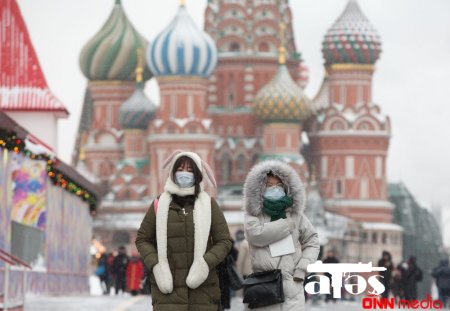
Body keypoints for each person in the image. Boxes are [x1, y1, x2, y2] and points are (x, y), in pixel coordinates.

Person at [135, 151, 232, 310]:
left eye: (190, 170)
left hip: (203, 290)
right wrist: (157, 265)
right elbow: (142, 239)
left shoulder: (209, 204)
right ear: (173, 173)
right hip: (167, 290)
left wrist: (205, 264)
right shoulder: (159, 204)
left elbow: (224, 241)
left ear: (198, 174)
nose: (184, 174)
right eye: (180, 169)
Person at [243, 160, 320, 311]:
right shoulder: (254, 215)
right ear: (260, 189)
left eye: (279, 185)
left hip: (293, 290)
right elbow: (256, 235)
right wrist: (286, 225)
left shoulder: (296, 215)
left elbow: (313, 240)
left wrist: (302, 268)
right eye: (269, 185)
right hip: (264, 289)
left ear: (286, 188)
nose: (274, 189)